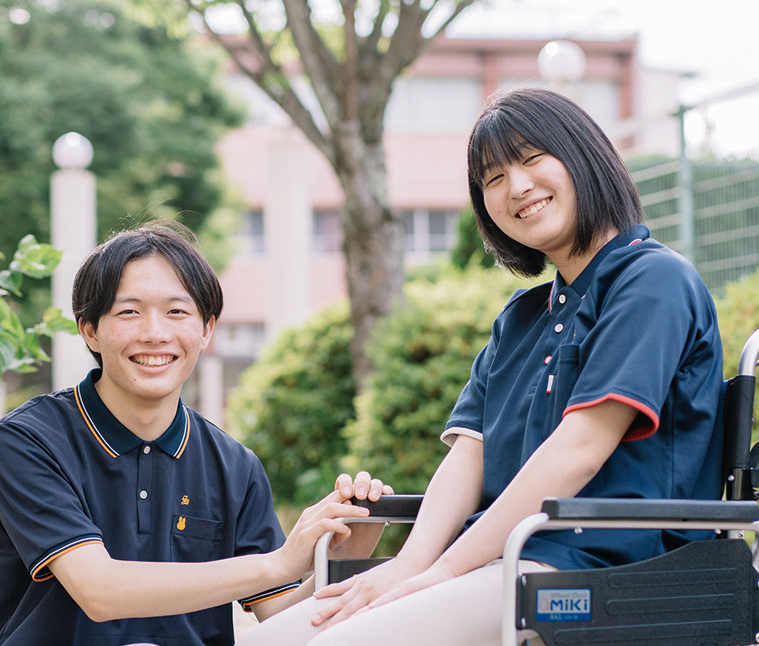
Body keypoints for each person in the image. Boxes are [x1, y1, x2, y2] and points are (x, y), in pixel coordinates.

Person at [236, 87, 724, 645]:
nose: (516, 187)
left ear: (585, 157)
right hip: (503, 560)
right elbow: (469, 456)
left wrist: (443, 571)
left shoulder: (653, 281)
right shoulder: (519, 319)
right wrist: (410, 564)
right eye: (493, 178)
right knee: (262, 641)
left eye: (533, 158)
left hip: (604, 566)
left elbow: (580, 449)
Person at [0, 220, 392, 646]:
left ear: (207, 329)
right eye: (129, 312)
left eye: (177, 311)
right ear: (90, 331)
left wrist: (341, 558)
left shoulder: (234, 466)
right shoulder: (28, 441)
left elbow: (284, 618)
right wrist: (281, 563)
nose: (155, 333)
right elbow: (98, 590)